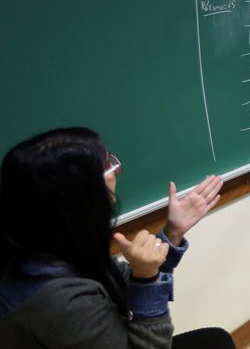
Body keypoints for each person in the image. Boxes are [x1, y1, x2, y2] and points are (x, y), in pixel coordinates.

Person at [0, 127, 234, 348]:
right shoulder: (57, 299)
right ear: (76, 195)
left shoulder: (52, 245)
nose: (116, 171)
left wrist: (172, 233)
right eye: (106, 166)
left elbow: (122, 283)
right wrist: (145, 277)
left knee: (214, 341)